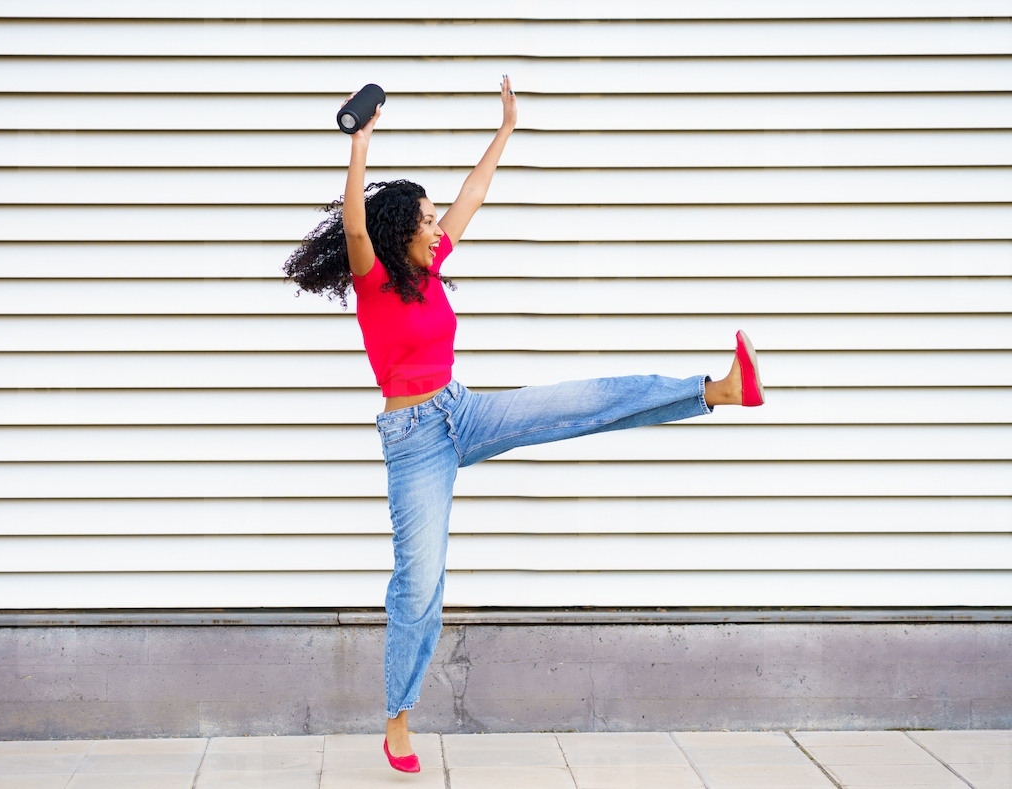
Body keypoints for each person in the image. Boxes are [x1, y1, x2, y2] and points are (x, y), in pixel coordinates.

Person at [284, 76, 764, 773]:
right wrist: (361, 143)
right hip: (414, 442)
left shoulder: (428, 266)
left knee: (584, 400)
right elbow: (355, 223)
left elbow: (471, 197)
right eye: (423, 219)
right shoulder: (375, 281)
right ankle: (398, 714)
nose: (435, 225)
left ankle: (717, 388)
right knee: (419, 583)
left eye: (431, 217)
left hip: (463, 410)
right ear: (398, 235)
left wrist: (505, 130)